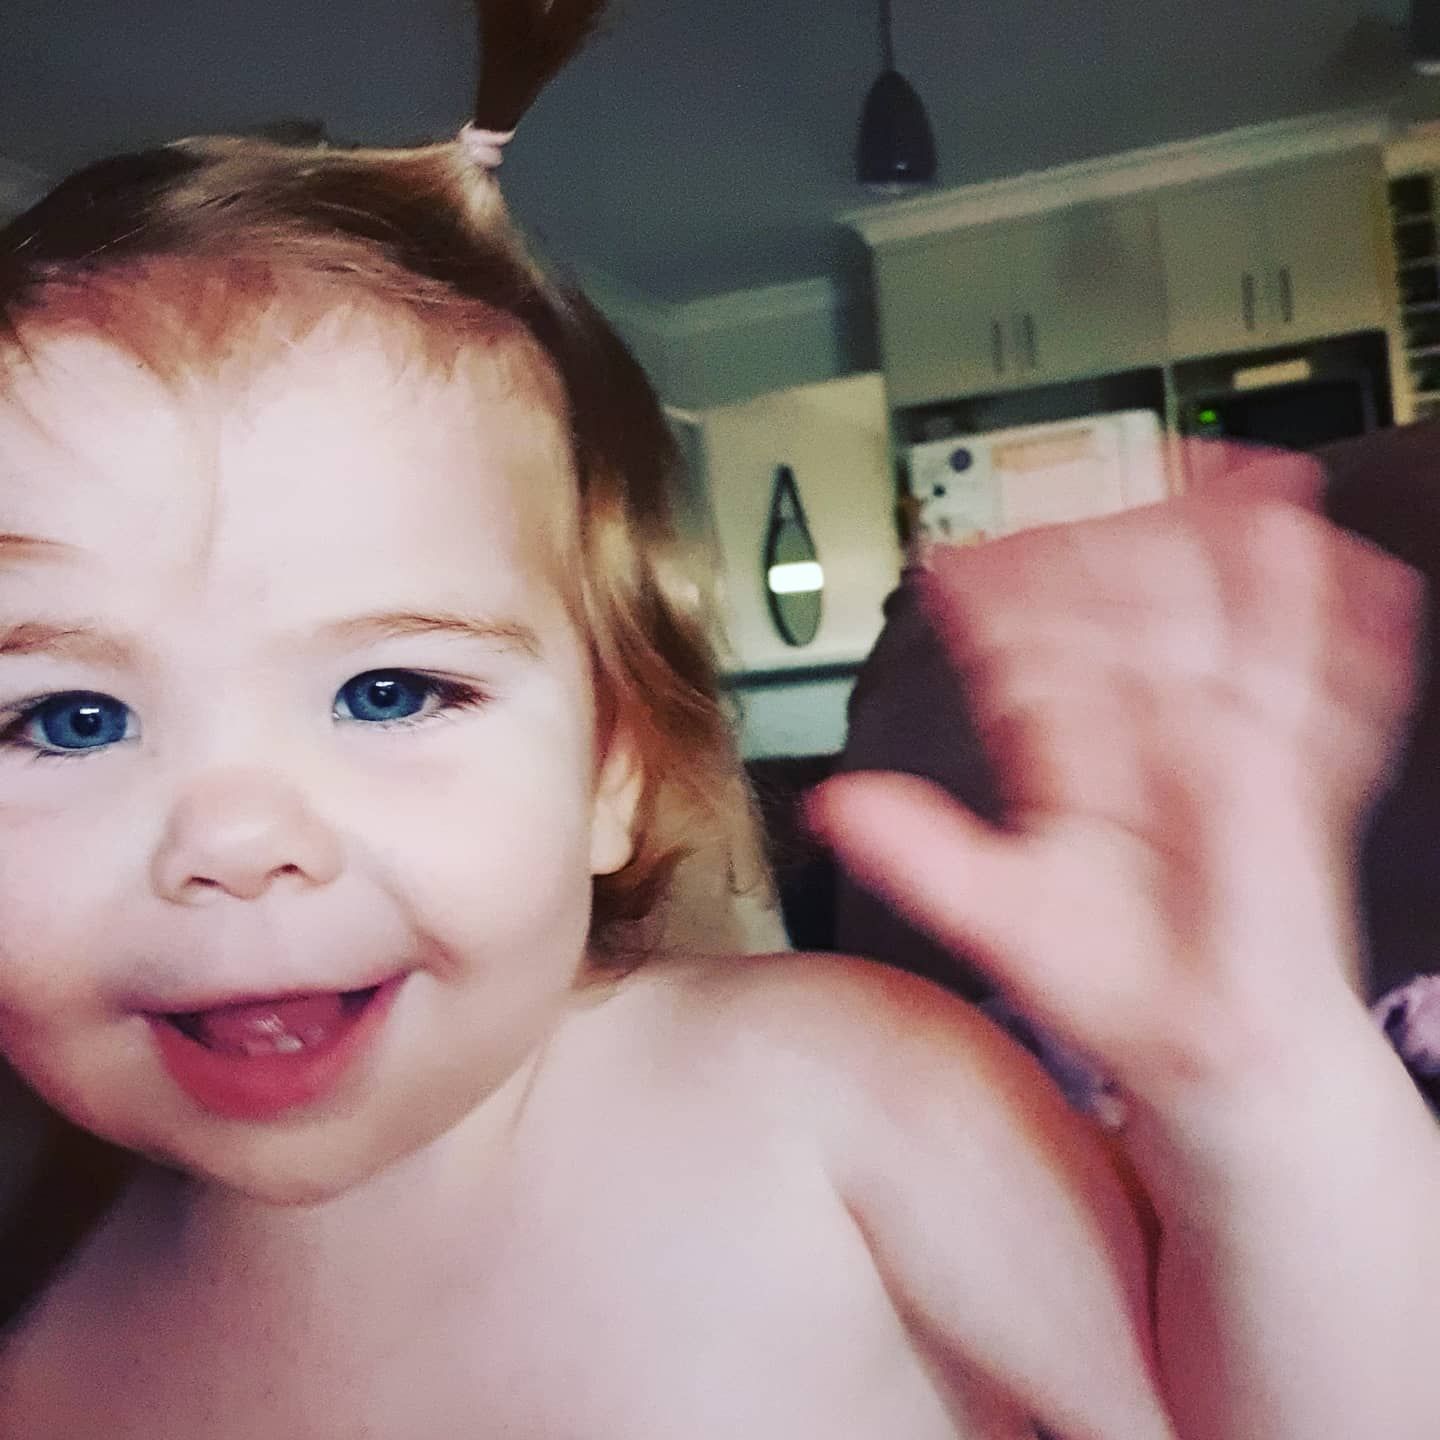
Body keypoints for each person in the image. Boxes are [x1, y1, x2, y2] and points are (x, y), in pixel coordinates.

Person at [0, 4, 1434, 1436]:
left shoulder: (828, 1093)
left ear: (611, 769)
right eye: (67, 719)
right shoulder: (49, 1297)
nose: (236, 838)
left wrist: (1262, 1095)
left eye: (391, 691)